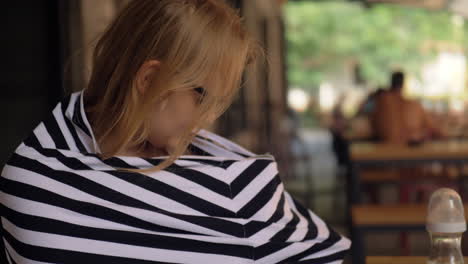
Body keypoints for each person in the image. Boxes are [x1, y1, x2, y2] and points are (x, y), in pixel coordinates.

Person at [0, 0, 350, 263]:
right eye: (203, 98)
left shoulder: (28, 171)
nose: (208, 118)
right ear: (150, 80)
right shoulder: (231, 185)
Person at [372, 71, 443, 145]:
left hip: (384, 151)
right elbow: (436, 131)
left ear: (391, 83)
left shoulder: (380, 100)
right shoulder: (413, 105)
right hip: (407, 151)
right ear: (403, 85)